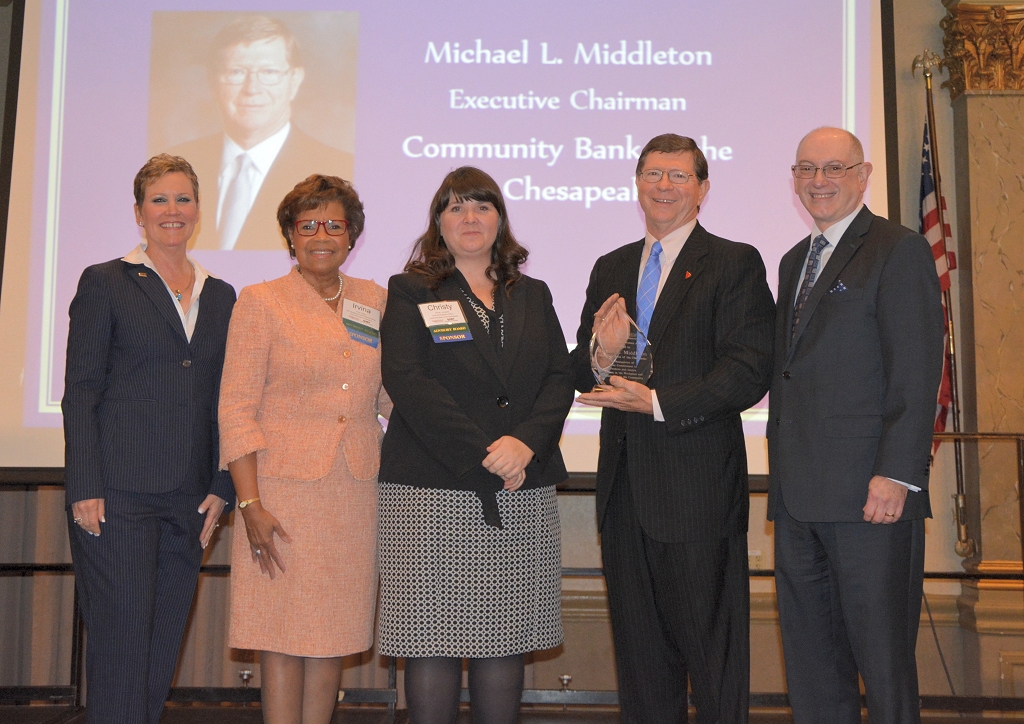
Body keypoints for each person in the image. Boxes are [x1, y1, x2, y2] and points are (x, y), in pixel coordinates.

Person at [570, 133, 775, 724]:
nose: (664, 185)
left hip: (698, 494)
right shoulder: (610, 265)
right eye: (653, 174)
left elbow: (746, 370)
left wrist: (660, 402)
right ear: (637, 185)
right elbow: (592, 372)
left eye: (678, 176)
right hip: (624, 493)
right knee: (640, 664)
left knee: (712, 660)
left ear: (703, 188)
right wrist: (604, 354)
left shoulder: (734, 262)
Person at [378, 166, 574, 724]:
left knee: (504, 642)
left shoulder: (532, 294)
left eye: (482, 206)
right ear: (438, 221)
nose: (470, 217)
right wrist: (489, 453)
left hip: (519, 489)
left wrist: (525, 445)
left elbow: (559, 378)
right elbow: (408, 380)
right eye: (457, 206)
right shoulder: (412, 289)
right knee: (432, 644)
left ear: (500, 220)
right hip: (432, 490)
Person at [767, 127, 944, 723]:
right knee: (814, 670)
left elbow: (916, 370)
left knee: (884, 664)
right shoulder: (796, 260)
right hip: (799, 500)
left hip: (872, 499)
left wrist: (896, 475)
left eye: (835, 168)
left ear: (863, 176)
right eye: (807, 169)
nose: (820, 181)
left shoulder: (898, 249)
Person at [62, 154, 236, 724]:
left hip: (188, 501)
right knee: (119, 652)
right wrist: (84, 484)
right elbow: (81, 390)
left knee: (161, 652)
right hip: (116, 497)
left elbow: (227, 402)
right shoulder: (106, 281)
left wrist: (221, 484)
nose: (172, 211)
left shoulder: (221, 294)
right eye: (159, 200)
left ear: (198, 211)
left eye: (183, 199)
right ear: (139, 213)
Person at [218, 174, 388, 724]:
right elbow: (236, 410)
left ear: (351, 235)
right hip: (279, 494)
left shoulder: (376, 300)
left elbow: (392, 397)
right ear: (290, 236)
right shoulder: (261, 302)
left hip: (354, 493)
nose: (321, 235)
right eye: (307, 225)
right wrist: (250, 506)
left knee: (332, 634)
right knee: (281, 631)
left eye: (333, 225)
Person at [172, 15, 354, 251]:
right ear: (213, 81)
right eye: (236, 72)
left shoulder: (336, 168)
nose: (252, 88)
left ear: (295, 80)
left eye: (268, 72)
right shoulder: (181, 167)